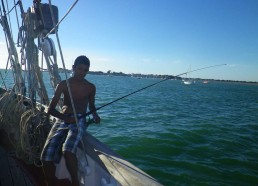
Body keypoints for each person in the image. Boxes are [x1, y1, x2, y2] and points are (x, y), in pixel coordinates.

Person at [41, 55, 100, 186]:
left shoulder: (91, 87)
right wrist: (66, 118)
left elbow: (91, 105)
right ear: (73, 68)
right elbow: (51, 109)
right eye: (79, 68)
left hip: (79, 120)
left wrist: (95, 115)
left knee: (67, 150)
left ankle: (75, 183)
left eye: (85, 70)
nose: (82, 72)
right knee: (45, 155)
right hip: (63, 119)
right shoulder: (63, 85)